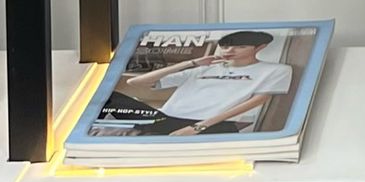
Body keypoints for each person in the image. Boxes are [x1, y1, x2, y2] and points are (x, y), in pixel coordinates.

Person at [119, 31, 294, 136]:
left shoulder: (276, 70)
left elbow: (257, 101)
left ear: (260, 47)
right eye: (225, 47)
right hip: (166, 119)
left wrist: (198, 127)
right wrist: (191, 63)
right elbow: (135, 82)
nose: (230, 51)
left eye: (240, 47)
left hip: (214, 124)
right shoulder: (202, 69)